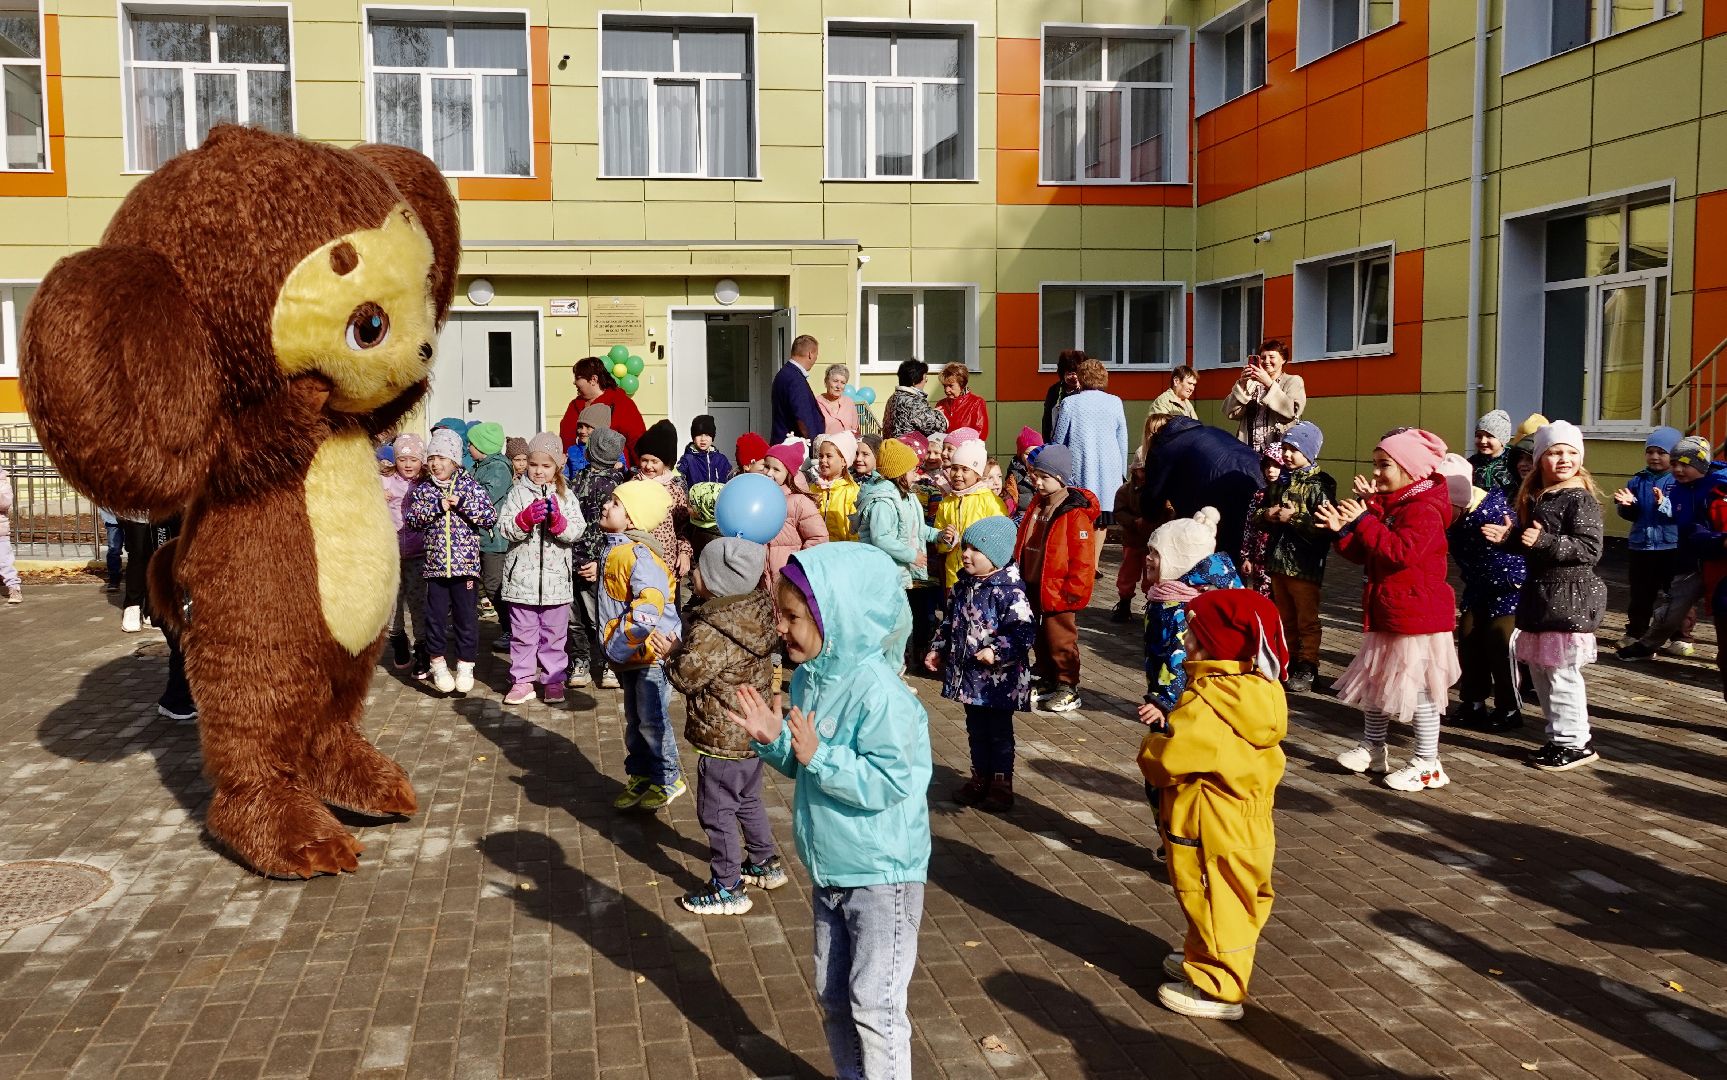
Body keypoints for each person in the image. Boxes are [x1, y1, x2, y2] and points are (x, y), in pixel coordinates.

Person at [727, 544, 930, 1080]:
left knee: (876, 1005)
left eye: (793, 617)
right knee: (834, 997)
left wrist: (820, 756)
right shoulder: (810, 678)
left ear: (837, 616)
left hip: (882, 875)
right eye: (780, 614)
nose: (781, 627)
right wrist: (775, 742)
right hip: (831, 869)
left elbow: (892, 781)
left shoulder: (881, 694)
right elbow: (806, 766)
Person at [1139, 589, 1288, 1022]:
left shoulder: (1210, 701)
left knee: (1212, 896)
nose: (1185, 640)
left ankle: (1219, 985)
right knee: (1233, 894)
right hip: (1243, 817)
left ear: (1212, 644)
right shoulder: (1256, 689)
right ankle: (1203, 953)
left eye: (1192, 634)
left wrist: (1151, 746)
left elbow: (1170, 760)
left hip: (1212, 821)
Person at [1317, 428, 1458, 792]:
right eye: (1375, 464)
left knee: (1421, 691)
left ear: (1410, 469)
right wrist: (1342, 531)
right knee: (1378, 682)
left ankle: (1428, 763)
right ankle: (1374, 747)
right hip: (1390, 610)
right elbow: (1366, 552)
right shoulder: (1393, 504)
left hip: (1416, 616)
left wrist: (1363, 520)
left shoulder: (1423, 509)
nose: (1376, 472)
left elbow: (1400, 552)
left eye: (1384, 465)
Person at [663, 538, 788, 915]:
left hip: (723, 737)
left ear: (716, 581)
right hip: (753, 731)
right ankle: (764, 862)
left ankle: (727, 886)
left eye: (699, 569)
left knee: (716, 812)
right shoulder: (756, 612)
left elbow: (687, 676)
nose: (693, 573)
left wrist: (671, 654)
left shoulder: (713, 627)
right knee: (748, 799)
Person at [1482, 422, 1607, 771]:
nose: (1563, 459)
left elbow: (1589, 549)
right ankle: (1558, 738)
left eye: (1571, 452)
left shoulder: (1579, 498)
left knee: (1562, 675)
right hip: (1542, 596)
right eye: (1554, 452)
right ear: (1539, 460)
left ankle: (1575, 742)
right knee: (1543, 674)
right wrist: (1511, 539)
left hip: (1567, 598)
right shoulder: (1543, 496)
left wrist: (1544, 541)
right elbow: (1532, 544)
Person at [927, 517, 1035, 811]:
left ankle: (1001, 783)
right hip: (970, 678)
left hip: (1000, 681)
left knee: (999, 732)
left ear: (996, 556)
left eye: (976, 549)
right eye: (965, 547)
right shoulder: (963, 586)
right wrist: (938, 648)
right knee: (976, 729)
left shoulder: (1010, 592)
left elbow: (1023, 632)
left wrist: (996, 651)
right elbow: (949, 623)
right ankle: (979, 777)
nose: (966, 554)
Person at [600, 479, 686, 811]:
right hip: (632, 653)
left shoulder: (638, 554)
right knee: (635, 719)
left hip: (649, 652)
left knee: (651, 718)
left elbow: (649, 607)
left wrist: (620, 643)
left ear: (632, 519)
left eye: (615, 504)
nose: (606, 506)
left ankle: (667, 778)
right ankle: (641, 775)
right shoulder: (615, 548)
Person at [1434, 454, 1525, 733]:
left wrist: (1512, 538)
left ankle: (1509, 708)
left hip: (1509, 587)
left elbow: (1520, 544)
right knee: (1469, 637)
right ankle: (1473, 703)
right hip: (1478, 587)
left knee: (1501, 642)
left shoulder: (1495, 511)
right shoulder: (1449, 516)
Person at [404, 427, 499, 696]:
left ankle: (466, 665)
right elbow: (413, 520)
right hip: (435, 569)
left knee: (466, 618)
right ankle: (437, 664)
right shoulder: (424, 490)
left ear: (455, 460)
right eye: (432, 458)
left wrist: (463, 503)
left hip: (465, 568)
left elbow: (489, 517)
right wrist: (437, 507)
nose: (436, 464)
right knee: (435, 619)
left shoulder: (471, 486)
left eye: (442, 458)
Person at [1618, 435, 1726, 663]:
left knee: (1721, 610)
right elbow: (1683, 524)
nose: (1677, 470)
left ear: (1701, 465)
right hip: (1689, 562)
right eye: (1675, 464)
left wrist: (1715, 540)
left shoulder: (1717, 487)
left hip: (1718, 561)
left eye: (1685, 465)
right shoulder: (1677, 490)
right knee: (1672, 609)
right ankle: (1647, 645)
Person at [1011, 445, 1100, 714]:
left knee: (1060, 638)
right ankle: (1047, 677)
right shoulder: (1037, 504)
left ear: (1060, 478)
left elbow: (1083, 558)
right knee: (1038, 635)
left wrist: (1075, 590)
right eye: (1035, 475)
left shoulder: (1074, 512)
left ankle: (1067, 685)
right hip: (1033, 582)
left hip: (1059, 589)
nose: (1037, 482)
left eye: (1044, 477)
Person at [497, 433, 585, 705]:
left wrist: (559, 524)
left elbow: (578, 529)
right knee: (523, 636)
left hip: (556, 584)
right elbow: (504, 527)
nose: (538, 471)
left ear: (558, 465)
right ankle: (522, 681)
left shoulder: (566, 495)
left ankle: (553, 679)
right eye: (533, 464)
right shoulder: (517, 493)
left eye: (546, 466)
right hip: (521, 582)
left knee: (554, 636)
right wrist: (523, 520)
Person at [1142, 508, 1243, 730]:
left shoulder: (1183, 610)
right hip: (1165, 689)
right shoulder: (1165, 596)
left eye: (1157, 553)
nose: (1148, 557)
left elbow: (1180, 661)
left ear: (1179, 560)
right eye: (1149, 550)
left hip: (1181, 702)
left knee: (1174, 742)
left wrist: (1163, 702)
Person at [1257, 421, 1336, 693]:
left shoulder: (1320, 485)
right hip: (1278, 563)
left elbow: (1326, 526)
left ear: (1309, 452)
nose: (1287, 455)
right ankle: (1287, 661)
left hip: (1304, 566)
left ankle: (1308, 666)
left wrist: (1294, 518)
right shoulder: (1280, 482)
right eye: (1285, 449)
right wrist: (1266, 515)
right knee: (1285, 618)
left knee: (1307, 620)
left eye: (1294, 449)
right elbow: (1259, 513)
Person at [856, 438, 939, 661]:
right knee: (898, 624)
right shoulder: (884, 501)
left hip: (896, 573)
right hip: (884, 572)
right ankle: (880, 665)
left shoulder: (907, 497)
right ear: (900, 473)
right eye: (912, 470)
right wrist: (911, 555)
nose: (916, 475)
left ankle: (889, 668)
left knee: (901, 623)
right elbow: (881, 537)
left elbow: (917, 529)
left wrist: (939, 535)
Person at [1142, 416, 1265, 564]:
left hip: (1222, 493)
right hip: (1258, 477)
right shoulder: (1212, 430)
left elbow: (1152, 501)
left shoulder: (1162, 448)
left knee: (1226, 556)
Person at [569, 427, 630, 691]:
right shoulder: (577, 480)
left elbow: (614, 531)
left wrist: (599, 562)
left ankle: (608, 663)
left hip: (600, 562)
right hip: (576, 560)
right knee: (578, 618)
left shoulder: (619, 487)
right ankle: (581, 661)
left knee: (600, 616)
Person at [1051, 358, 1130, 560]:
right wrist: (1122, 472)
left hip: (1080, 468)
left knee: (1080, 517)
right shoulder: (1115, 402)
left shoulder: (1069, 403)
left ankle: (1081, 562)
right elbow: (1122, 440)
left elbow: (1059, 440)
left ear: (1081, 378)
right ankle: (1093, 564)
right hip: (1109, 470)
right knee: (1102, 519)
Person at [1613, 426, 1682, 644]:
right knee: (1640, 594)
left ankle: (1679, 636)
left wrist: (1664, 503)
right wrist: (1627, 506)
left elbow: (1683, 512)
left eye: (1661, 452)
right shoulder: (1637, 480)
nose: (1654, 457)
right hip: (1641, 546)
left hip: (1671, 546)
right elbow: (1632, 515)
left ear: (1674, 455)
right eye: (1650, 452)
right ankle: (1636, 632)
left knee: (1675, 594)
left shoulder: (1679, 480)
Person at [383, 433, 430, 675]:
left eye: (413, 459)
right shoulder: (386, 481)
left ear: (422, 460)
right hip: (390, 555)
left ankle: (422, 649)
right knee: (392, 604)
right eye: (402, 459)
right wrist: (378, 497)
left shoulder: (426, 484)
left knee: (418, 603)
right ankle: (398, 640)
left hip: (419, 554)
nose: (408, 465)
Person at [933, 439, 1006, 591]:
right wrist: (945, 539)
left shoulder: (991, 501)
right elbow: (938, 543)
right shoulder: (946, 503)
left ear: (978, 474)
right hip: (953, 579)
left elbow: (1001, 540)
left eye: (965, 469)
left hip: (983, 579)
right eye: (954, 468)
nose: (958, 474)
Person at [468, 421, 515, 654]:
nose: (468, 447)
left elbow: (484, 497)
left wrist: (463, 495)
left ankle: (512, 629)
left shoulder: (497, 468)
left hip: (495, 539)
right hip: (481, 537)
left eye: (472, 444)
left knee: (495, 584)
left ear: (483, 446)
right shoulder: (480, 466)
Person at [757, 442, 828, 593]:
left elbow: (819, 538)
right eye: (766, 467)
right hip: (764, 581)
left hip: (790, 581)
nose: (769, 473)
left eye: (776, 469)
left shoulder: (799, 502)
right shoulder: (759, 501)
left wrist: (796, 568)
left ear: (788, 473)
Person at [634, 420, 693, 581]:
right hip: (638, 562)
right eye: (644, 460)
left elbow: (683, 528)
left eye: (655, 461)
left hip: (668, 564)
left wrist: (684, 552)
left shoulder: (675, 490)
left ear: (665, 462)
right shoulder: (632, 487)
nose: (648, 466)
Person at [1223, 340, 1306, 453]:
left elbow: (1292, 413)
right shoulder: (1251, 383)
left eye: (1272, 357)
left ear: (1283, 360)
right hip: (1248, 451)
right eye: (1262, 357)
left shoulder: (1293, 381)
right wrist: (1242, 384)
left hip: (1278, 453)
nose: (1266, 361)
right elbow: (1230, 413)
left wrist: (1269, 384)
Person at [561, 356, 646, 461]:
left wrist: (642, 465)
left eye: (578, 378)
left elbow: (636, 440)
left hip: (613, 468)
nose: (574, 382)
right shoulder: (574, 405)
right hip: (576, 467)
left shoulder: (622, 403)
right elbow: (565, 439)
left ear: (593, 379)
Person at [1238, 446, 1284, 599]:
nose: (1271, 470)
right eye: (1267, 466)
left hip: (1283, 562)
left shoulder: (1291, 495)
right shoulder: (1259, 495)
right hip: (1261, 559)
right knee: (1262, 600)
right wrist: (1246, 557)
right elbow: (1250, 527)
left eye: (1277, 465)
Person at [771, 334, 826, 444]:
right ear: (810, 354)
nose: (816, 359)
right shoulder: (795, 379)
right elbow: (803, 418)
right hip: (794, 447)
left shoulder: (783, 373)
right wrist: (813, 446)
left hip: (782, 442)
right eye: (816, 355)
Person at [810, 431, 862, 543]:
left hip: (842, 548)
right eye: (821, 456)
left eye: (829, 456)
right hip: (816, 547)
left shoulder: (852, 491)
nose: (823, 460)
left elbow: (855, 530)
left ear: (843, 461)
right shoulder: (814, 488)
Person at [881, 359, 948, 442]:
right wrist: (939, 414)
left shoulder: (893, 398)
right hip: (908, 447)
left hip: (891, 446)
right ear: (914, 381)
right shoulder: (913, 401)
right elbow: (935, 427)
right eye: (925, 378)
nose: (926, 381)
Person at [677, 414, 733, 489]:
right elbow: (678, 482)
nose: (703, 439)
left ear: (712, 437)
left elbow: (731, 482)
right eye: (699, 435)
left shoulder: (721, 460)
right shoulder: (687, 460)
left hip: (719, 496)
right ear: (693, 438)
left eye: (707, 435)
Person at [1040, 349, 1084, 442]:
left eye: (1077, 373)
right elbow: (1047, 420)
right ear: (1062, 373)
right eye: (1070, 373)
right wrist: (1047, 443)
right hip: (1057, 442)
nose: (1074, 377)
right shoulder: (1054, 391)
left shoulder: (1086, 391)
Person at [936, 363, 989, 440]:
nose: (946, 390)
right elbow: (935, 433)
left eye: (951, 386)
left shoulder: (976, 402)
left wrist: (956, 444)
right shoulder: (941, 404)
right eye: (945, 386)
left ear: (962, 384)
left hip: (967, 447)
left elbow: (980, 434)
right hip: (943, 447)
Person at [1469, 410, 1515, 492]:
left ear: (1502, 439)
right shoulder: (1470, 464)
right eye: (1479, 436)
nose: (1483, 441)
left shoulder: (1513, 463)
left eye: (1489, 436)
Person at [1005, 427, 1041, 525]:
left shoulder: (1045, 469)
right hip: (1023, 516)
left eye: (1036, 453)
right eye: (1028, 454)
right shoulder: (1014, 473)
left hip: (1041, 515)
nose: (1032, 457)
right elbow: (1011, 497)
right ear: (1020, 454)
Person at [564, 403, 608, 480]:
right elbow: (565, 477)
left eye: (588, 427)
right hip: (576, 487)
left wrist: (620, 466)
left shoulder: (610, 449)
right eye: (580, 427)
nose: (582, 431)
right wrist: (561, 467)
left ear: (601, 430)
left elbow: (622, 471)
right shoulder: (572, 450)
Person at [816, 364, 861, 435]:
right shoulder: (816, 403)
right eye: (835, 381)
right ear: (826, 382)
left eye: (843, 383)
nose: (839, 386)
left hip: (849, 441)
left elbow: (856, 430)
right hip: (826, 441)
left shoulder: (849, 402)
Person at [0, 465, 17, 605]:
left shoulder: (3, 484)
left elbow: (5, 503)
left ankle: (14, 587)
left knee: (5, 562)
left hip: (0, 532)